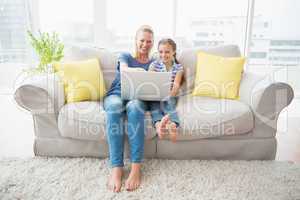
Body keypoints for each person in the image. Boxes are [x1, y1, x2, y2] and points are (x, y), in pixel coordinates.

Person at [103, 25, 154, 192]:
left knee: (135, 106)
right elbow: (124, 70)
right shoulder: (125, 56)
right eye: (142, 40)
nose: (145, 44)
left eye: (149, 41)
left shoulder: (154, 62)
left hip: (137, 98)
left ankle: (136, 168)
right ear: (135, 41)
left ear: (152, 43)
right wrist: (139, 70)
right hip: (117, 94)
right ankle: (116, 168)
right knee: (115, 106)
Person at [148, 38, 184, 143]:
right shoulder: (154, 65)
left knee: (169, 106)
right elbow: (148, 81)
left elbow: (176, 85)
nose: (163, 55)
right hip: (156, 95)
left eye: (167, 52)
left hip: (170, 95)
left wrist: (168, 95)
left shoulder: (178, 68)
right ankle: (159, 124)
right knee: (154, 107)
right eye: (161, 52)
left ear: (174, 52)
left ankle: (172, 124)